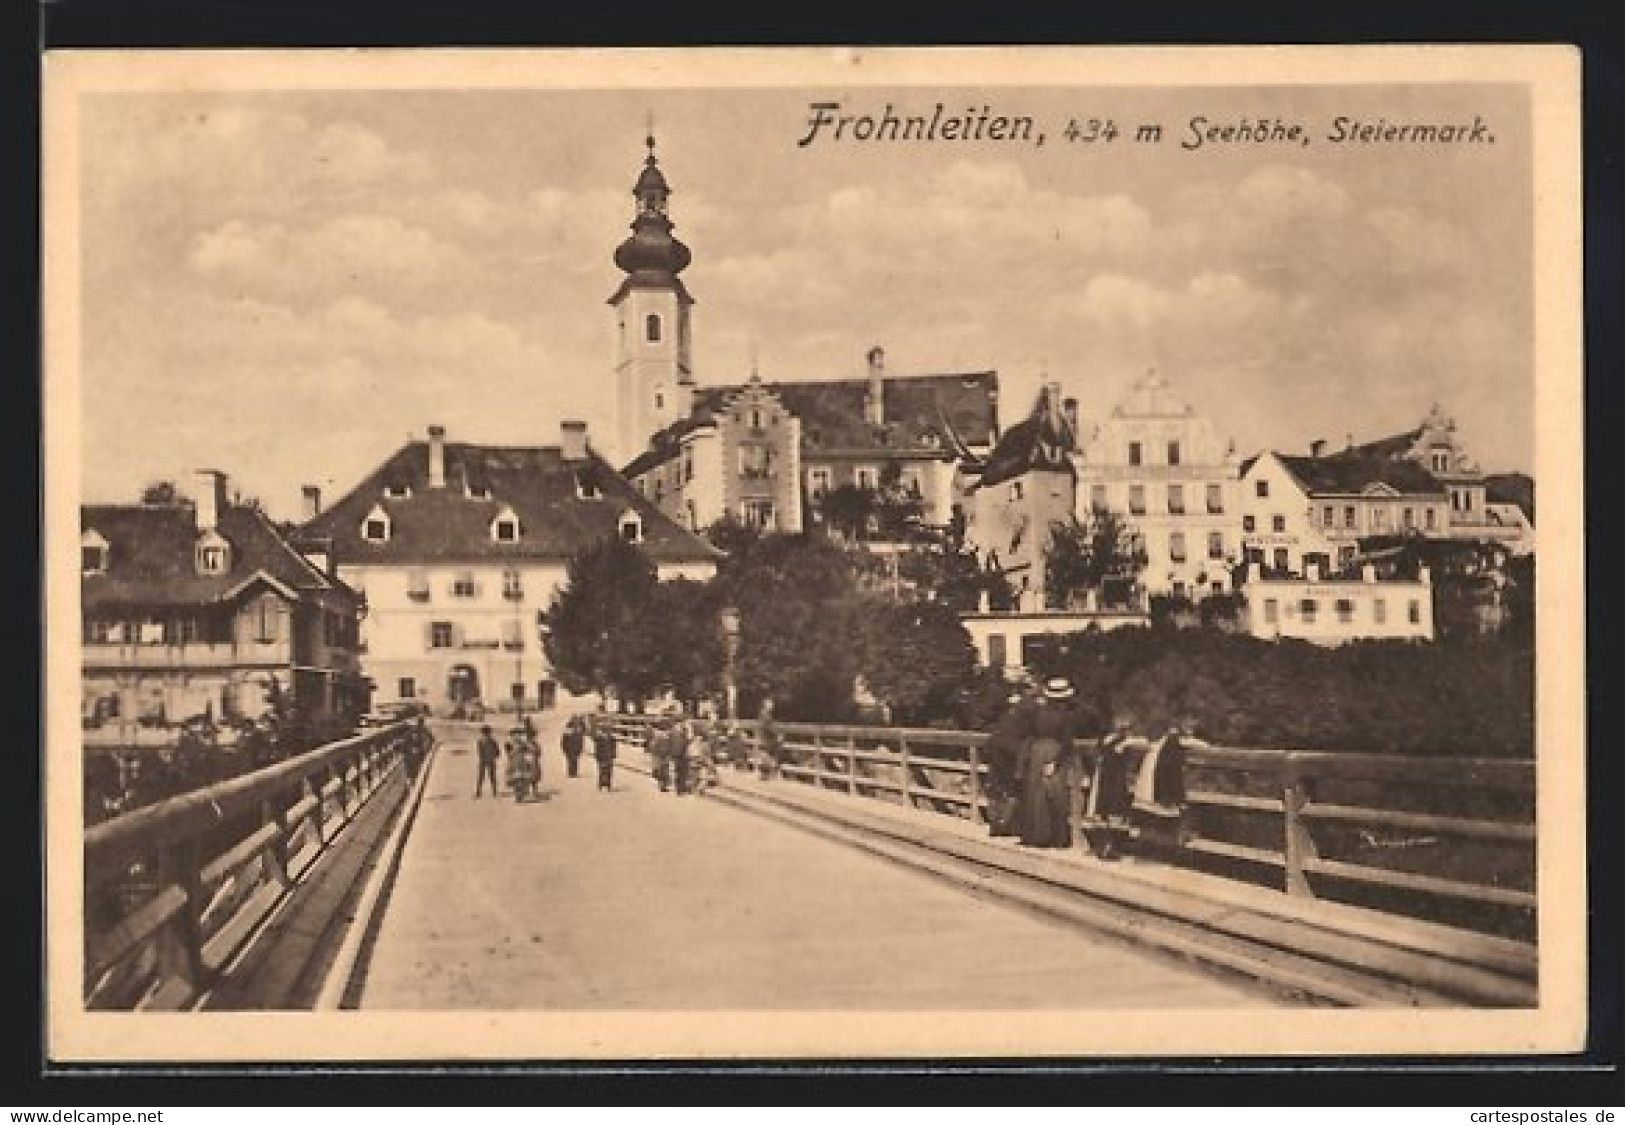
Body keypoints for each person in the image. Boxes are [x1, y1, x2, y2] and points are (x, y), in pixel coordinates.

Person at [1013, 677, 1078, 849]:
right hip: (1054, 751)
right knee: (1056, 796)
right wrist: (1056, 761)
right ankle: (1058, 838)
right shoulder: (1065, 716)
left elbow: (1028, 733)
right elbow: (1067, 742)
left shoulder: (1038, 713)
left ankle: (1036, 835)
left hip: (1037, 752)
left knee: (1035, 795)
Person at [983, 686, 1032, 837]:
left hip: (997, 750)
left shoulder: (1004, 716)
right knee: (1013, 789)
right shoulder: (1024, 715)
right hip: (1011, 752)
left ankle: (996, 824)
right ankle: (1005, 823)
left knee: (996, 788)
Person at [1083, 718, 1135, 860]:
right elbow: (1097, 755)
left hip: (1115, 780)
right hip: (1103, 779)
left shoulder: (1125, 741)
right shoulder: (1105, 739)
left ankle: (1111, 847)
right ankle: (1103, 846)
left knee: (1114, 811)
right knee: (1102, 812)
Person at [757, 698, 782, 780]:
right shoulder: (766, 716)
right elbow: (770, 727)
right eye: (770, 704)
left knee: (766, 755)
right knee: (770, 755)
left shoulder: (762, 714)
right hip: (767, 739)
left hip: (764, 738)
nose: (772, 705)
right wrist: (778, 734)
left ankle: (764, 774)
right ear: (766, 705)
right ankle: (771, 773)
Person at [474, 724, 501, 798]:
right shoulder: (484, 741)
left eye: (487, 733)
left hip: (487, 760)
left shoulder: (490, 741)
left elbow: (497, 751)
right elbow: (480, 752)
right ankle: (479, 792)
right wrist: (494, 756)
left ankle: (493, 792)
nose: (486, 735)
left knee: (490, 777)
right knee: (482, 777)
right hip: (485, 761)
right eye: (485, 733)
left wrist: (494, 756)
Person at [591, 717, 618, 792]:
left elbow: (614, 747)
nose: (608, 731)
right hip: (602, 757)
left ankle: (608, 785)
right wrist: (597, 756)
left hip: (609, 757)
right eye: (607, 730)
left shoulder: (612, 738)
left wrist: (613, 755)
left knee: (609, 771)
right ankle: (601, 784)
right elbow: (597, 748)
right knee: (601, 770)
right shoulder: (599, 739)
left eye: (609, 730)